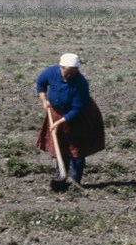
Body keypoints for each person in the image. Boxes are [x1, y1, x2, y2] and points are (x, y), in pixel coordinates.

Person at [36, 53, 105, 185]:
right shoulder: (51, 72)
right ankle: (61, 175)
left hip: (78, 117)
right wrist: (43, 100)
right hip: (57, 113)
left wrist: (59, 122)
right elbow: (41, 83)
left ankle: (75, 181)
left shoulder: (81, 84)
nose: (68, 76)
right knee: (60, 147)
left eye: (72, 73)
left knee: (76, 150)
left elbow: (76, 109)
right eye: (66, 73)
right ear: (61, 68)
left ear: (77, 71)